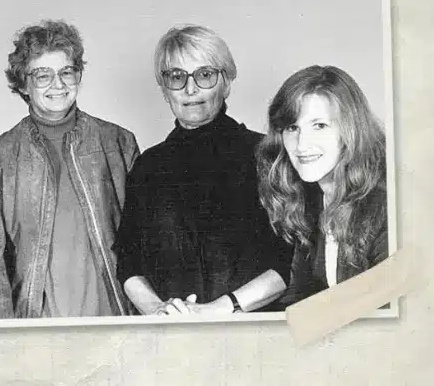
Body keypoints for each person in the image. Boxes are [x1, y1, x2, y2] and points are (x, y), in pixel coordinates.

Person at [113, 25, 294, 316]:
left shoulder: (267, 155)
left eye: (205, 75)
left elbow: (290, 259)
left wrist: (220, 309)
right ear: (164, 90)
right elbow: (128, 262)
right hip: (171, 332)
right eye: (177, 77)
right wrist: (158, 310)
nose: (190, 89)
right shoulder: (148, 167)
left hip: (251, 330)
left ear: (226, 83)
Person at [0, 20, 141, 319]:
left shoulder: (118, 143)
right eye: (43, 75)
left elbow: (142, 243)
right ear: (22, 84)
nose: (58, 85)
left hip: (115, 316)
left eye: (67, 72)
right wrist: (4, 333)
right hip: (36, 324)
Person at [256, 65, 388, 305]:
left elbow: (386, 310)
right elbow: (300, 295)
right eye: (292, 128)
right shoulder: (311, 199)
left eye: (319, 126)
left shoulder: (386, 201)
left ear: (351, 130)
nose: (302, 144)